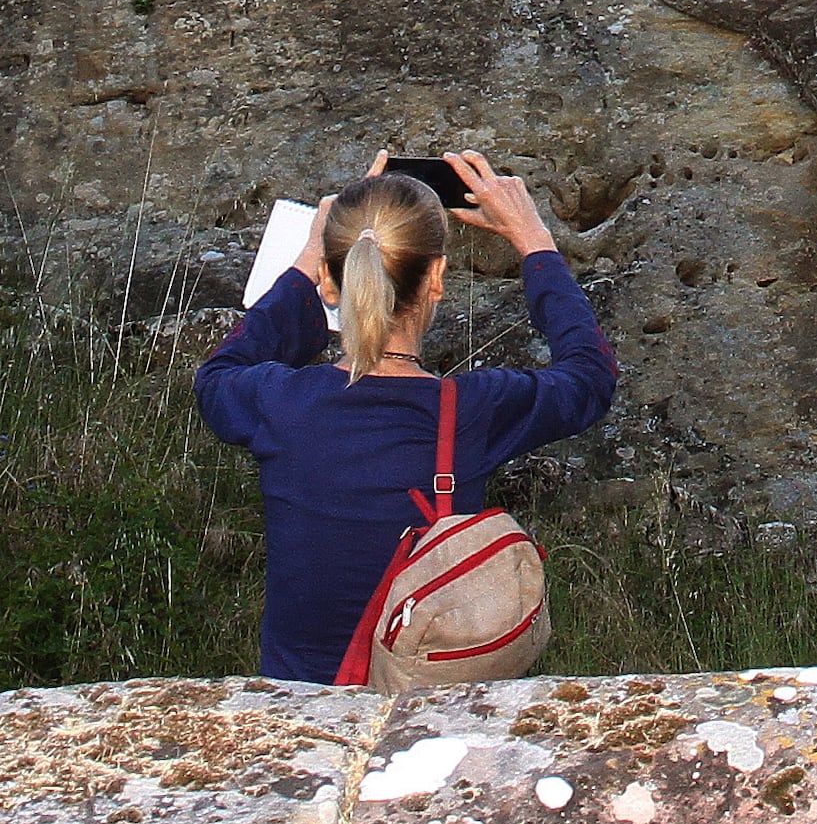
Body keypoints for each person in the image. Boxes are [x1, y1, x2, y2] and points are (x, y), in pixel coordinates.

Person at [199, 151, 615, 681]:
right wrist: (533, 240)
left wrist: (309, 258)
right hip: (425, 710)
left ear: (332, 280)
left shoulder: (278, 401)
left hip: (302, 707)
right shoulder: (470, 411)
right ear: (436, 277)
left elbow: (219, 372)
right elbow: (590, 377)